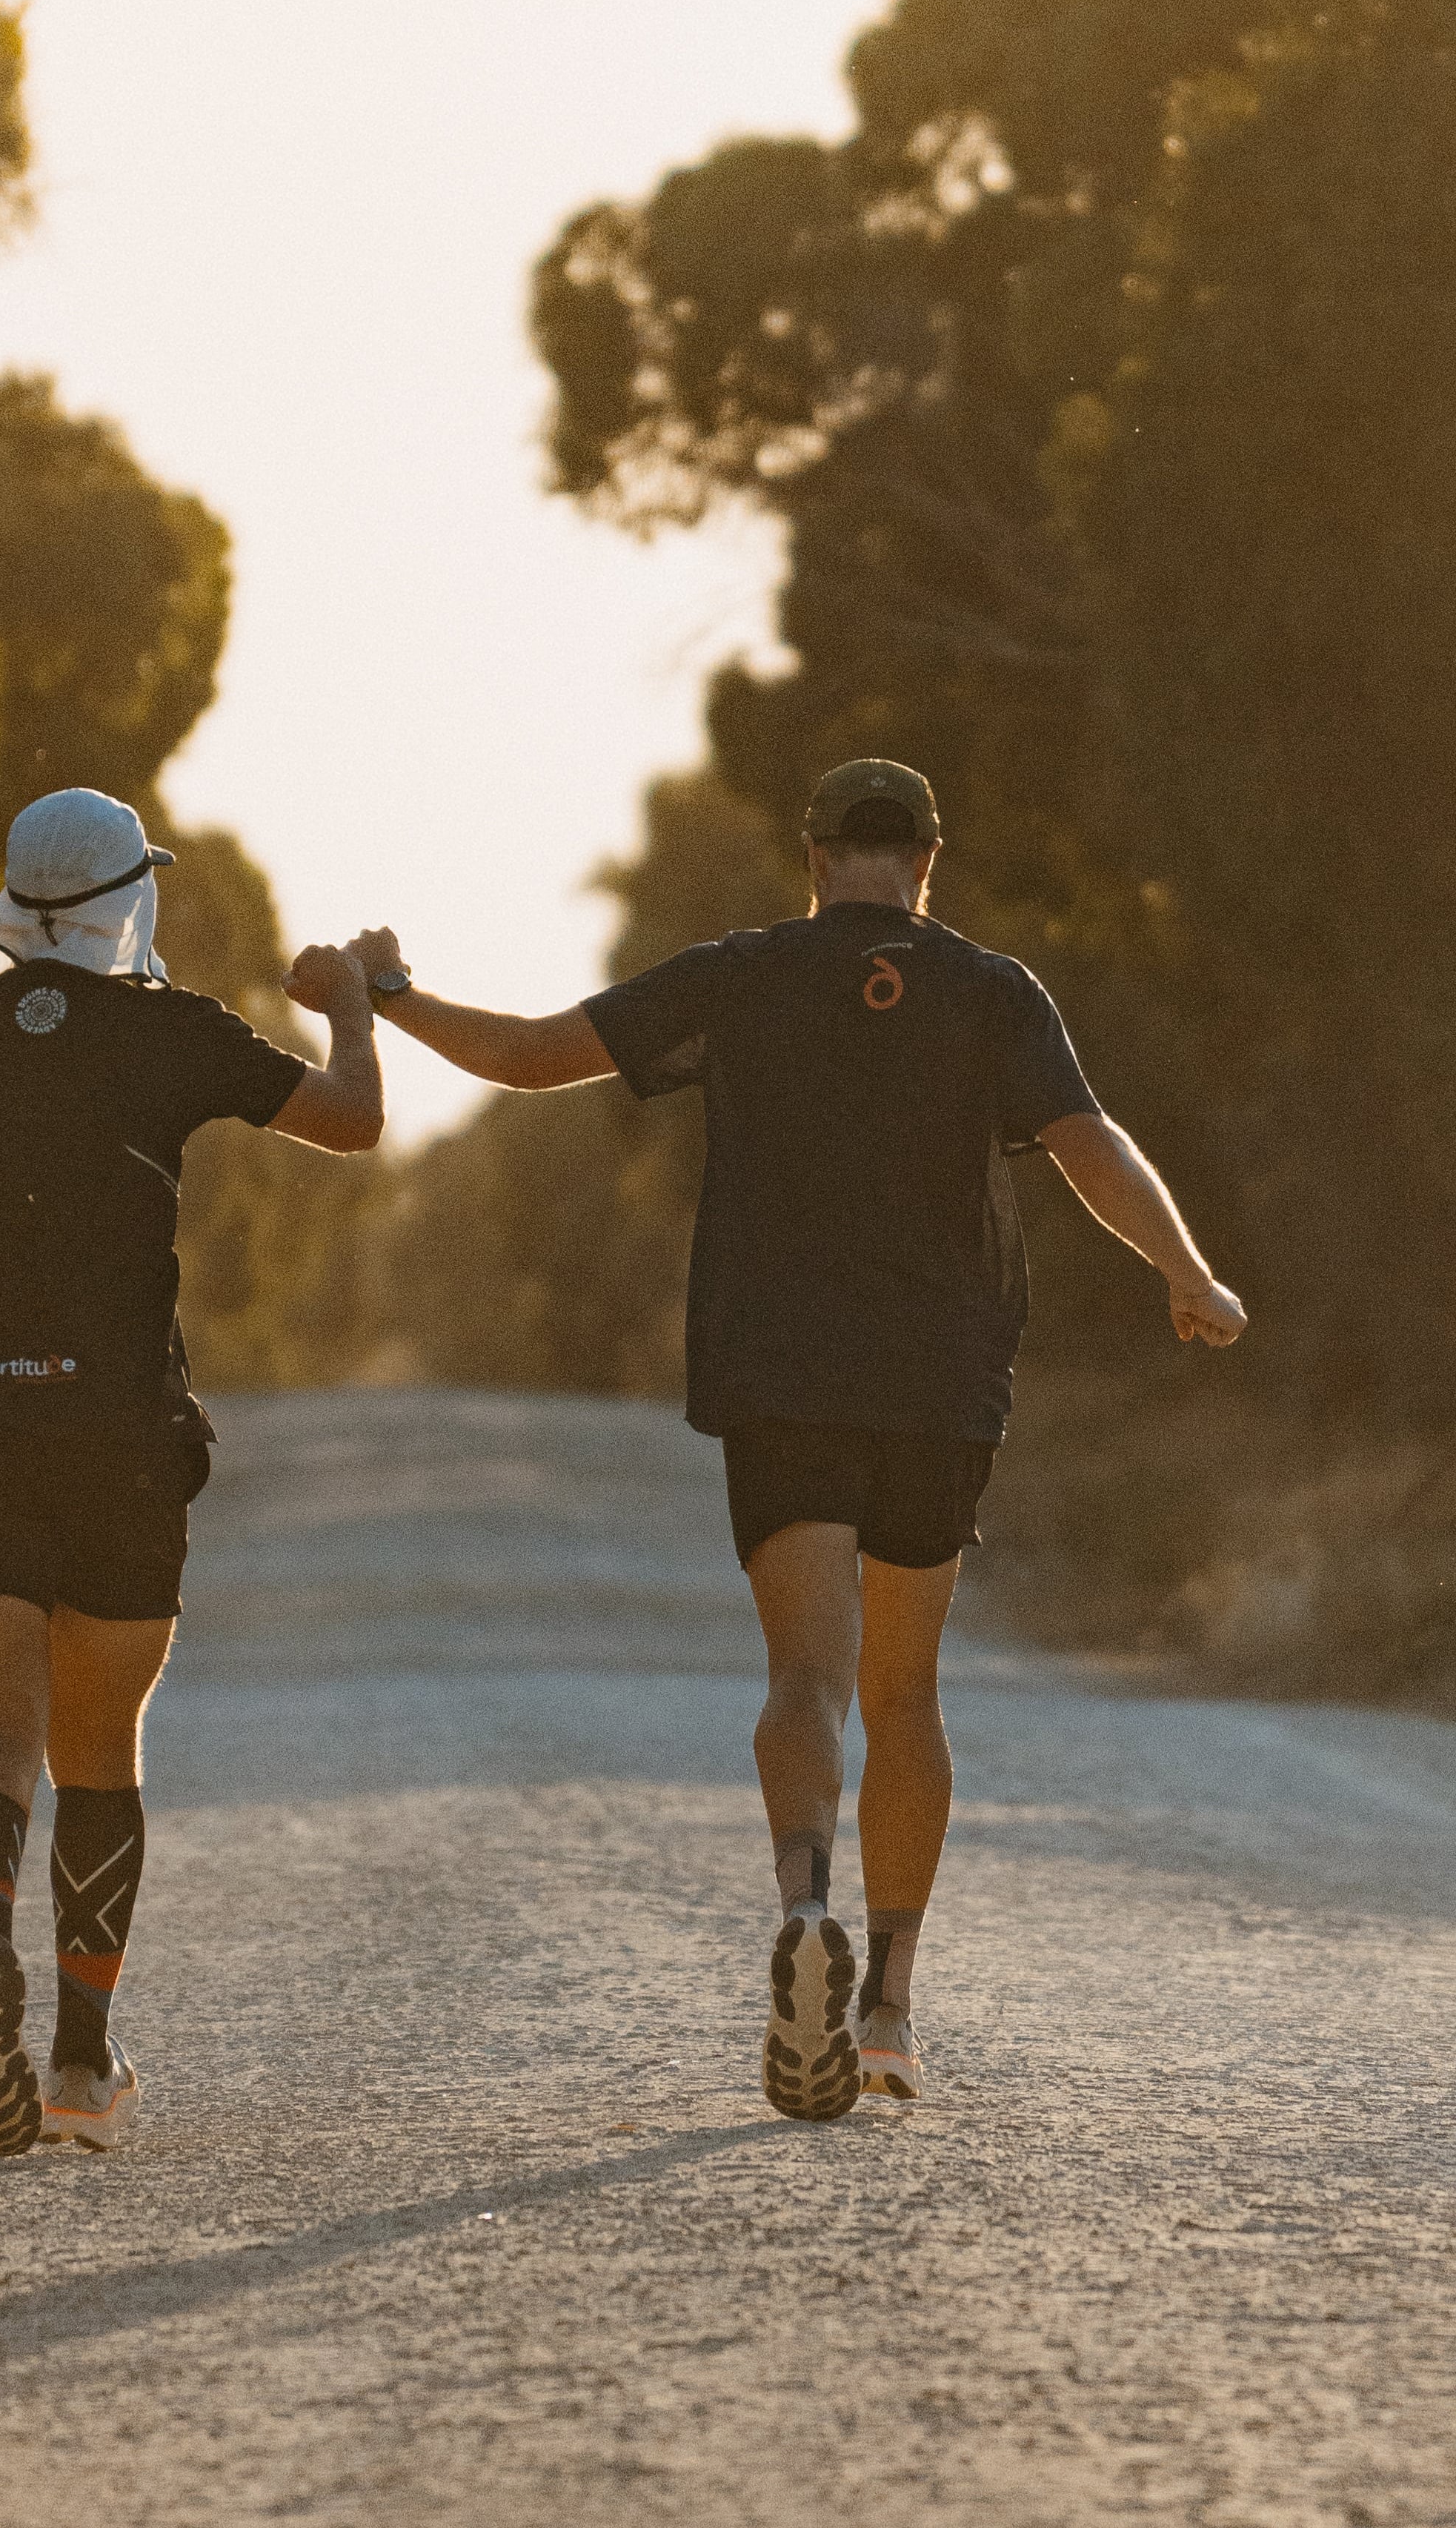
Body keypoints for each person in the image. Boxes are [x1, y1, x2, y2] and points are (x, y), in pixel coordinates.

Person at [341, 758, 1244, 2119]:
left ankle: (803, 1896)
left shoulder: (742, 974)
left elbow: (533, 1057)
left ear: (813, 859)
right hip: (937, 1383)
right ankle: (883, 2005)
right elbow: (1086, 1141)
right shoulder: (995, 994)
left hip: (781, 1375)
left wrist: (393, 1000)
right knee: (906, 1694)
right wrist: (1189, 1270)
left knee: (805, 1679)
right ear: (929, 863)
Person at [0, 787, 382, 2158]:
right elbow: (353, 1123)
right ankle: (75, 2062)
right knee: (98, 1745)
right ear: (136, 897)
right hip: (121, 1437)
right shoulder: (176, 1032)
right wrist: (350, 1002)